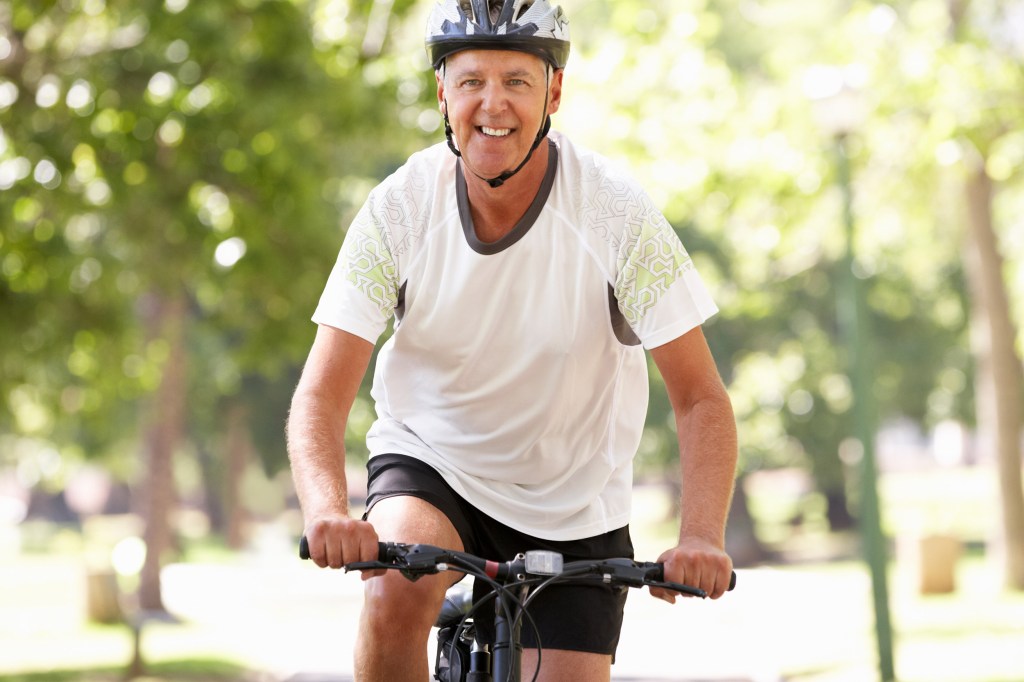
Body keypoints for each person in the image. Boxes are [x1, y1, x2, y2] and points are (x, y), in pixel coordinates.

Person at [287, 0, 738, 679]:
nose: (491, 103)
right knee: (392, 594)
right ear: (443, 92)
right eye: (471, 81)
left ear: (554, 90)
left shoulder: (616, 212)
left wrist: (701, 535)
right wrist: (327, 512)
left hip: (574, 496)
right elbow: (321, 394)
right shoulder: (399, 208)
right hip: (435, 463)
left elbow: (702, 398)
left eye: (516, 82)